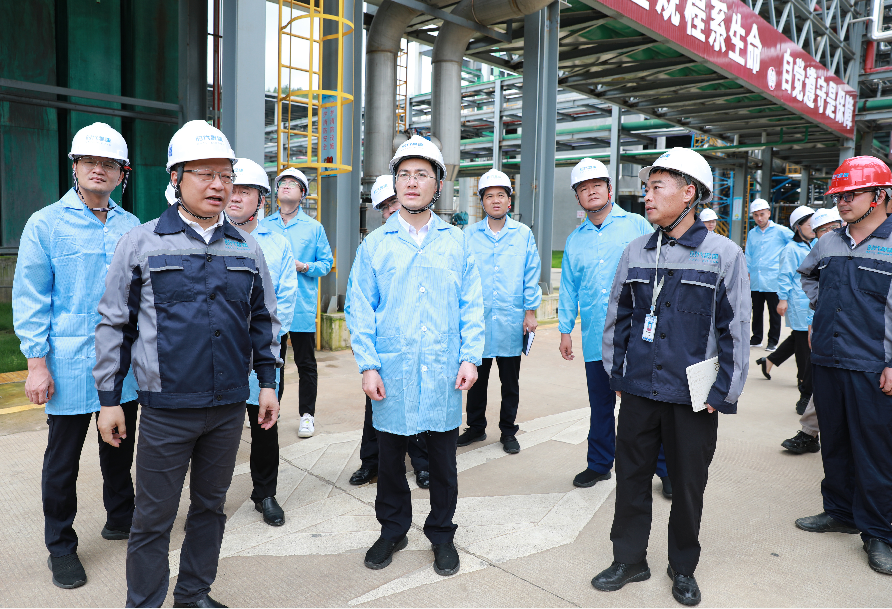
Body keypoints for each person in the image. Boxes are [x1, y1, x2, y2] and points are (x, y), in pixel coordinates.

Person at [93, 120, 282, 607]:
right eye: (204, 173)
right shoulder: (142, 242)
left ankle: (194, 593)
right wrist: (109, 401)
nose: (218, 185)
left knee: (210, 508)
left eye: (226, 175)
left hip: (227, 407)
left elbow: (263, 320)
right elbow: (115, 324)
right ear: (176, 177)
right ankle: (144, 601)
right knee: (153, 517)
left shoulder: (245, 246)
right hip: (166, 410)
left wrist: (267, 383)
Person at [593, 148, 750, 606]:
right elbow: (618, 315)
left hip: (693, 396)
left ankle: (682, 568)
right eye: (646, 188)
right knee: (631, 477)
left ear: (689, 194)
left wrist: (723, 392)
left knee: (686, 486)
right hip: (639, 388)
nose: (647, 196)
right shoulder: (637, 250)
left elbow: (736, 330)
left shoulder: (723, 254)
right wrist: (616, 374)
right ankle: (629, 559)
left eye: (657, 187)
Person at [345, 135, 484, 577]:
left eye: (422, 174)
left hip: (444, 367)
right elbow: (359, 308)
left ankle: (441, 533)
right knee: (390, 460)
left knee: (443, 460)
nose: (411, 182)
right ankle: (393, 529)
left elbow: (471, 304)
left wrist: (470, 357)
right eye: (403, 174)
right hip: (393, 368)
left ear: (437, 185)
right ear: (394, 184)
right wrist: (368, 365)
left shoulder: (457, 242)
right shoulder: (375, 245)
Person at [12, 122, 141, 590]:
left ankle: (120, 518)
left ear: (122, 173)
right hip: (67, 362)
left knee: (119, 447)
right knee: (62, 462)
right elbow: (31, 296)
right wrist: (36, 364)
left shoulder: (131, 226)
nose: (98, 170)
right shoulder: (45, 224)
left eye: (109, 164)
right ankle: (61, 547)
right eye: (90, 161)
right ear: (75, 167)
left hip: (122, 365)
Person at [796, 155, 892, 576]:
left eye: (852, 194)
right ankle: (840, 511)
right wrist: (821, 309)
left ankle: (879, 532)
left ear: (879, 196)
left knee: (875, 450)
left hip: (873, 363)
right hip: (828, 358)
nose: (842, 201)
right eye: (838, 195)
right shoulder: (828, 242)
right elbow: (808, 275)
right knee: (833, 439)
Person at [558, 158, 671, 497]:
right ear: (577, 196)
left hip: (637, 337)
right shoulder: (575, 240)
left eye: (597, 185)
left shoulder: (636, 224)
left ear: (609, 189)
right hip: (596, 336)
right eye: (583, 188)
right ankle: (598, 463)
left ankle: (665, 469)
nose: (590, 191)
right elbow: (569, 287)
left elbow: (661, 267)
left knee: (647, 408)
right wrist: (565, 330)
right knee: (601, 406)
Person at [226, 158, 298, 527]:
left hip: (264, 350)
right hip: (218, 350)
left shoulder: (278, 244)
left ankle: (265, 493)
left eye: (245, 191)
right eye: (232, 188)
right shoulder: (207, 236)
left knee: (264, 423)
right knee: (215, 429)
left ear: (261, 200)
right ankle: (208, 499)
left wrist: (260, 340)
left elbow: (284, 300)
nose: (235, 196)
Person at [348, 175, 431, 489]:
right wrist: (367, 352)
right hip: (385, 347)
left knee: (419, 406)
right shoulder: (373, 246)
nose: (389, 211)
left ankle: (423, 465)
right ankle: (371, 463)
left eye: (392, 203)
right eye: (384, 207)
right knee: (376, 407)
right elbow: (359, 302)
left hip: (420, 342)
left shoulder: (429, 242)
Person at [460, 168, 542, 454]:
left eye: (501, 195)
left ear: (510, 200)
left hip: (511, 320)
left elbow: (531, 274)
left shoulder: (523, 234)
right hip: (478, 322)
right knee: (476, 379)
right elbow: (461, 276)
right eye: (489, 196)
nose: (495, 200)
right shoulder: (469, 235)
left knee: (510, 382)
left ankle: (508, 431)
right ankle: (476, 427)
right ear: (482, 201)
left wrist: (530, 312)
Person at [261, 168, 333, 438]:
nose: (286, 186)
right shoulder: (265, 226)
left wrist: (303, 266)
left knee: (306, 363)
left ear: (302, 194)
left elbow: (326, 264)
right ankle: (271, 408)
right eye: (282, 183)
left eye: (293, 183)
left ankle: (307, 415)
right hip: (271, 307)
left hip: (301, 307)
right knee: (272, 360)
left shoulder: (314, 228)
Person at [780, 207, 842, 455]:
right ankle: (809, 433)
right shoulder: (818, 251)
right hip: (827, 324)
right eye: (821, 230)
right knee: (824, 376)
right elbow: (809, 281)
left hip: (865, 330)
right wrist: (812, 320)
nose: (828, 233)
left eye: (832, 227)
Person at [754, 206, 815, 414]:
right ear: (798, 227)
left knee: (799, 337)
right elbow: (785, 276)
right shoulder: (791, 249)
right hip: (798, 301)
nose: (813, 228)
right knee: (804, 343)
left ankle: (769, 361)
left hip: (811, 301)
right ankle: (803, 384)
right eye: (809, 225)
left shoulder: (815, 244)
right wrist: (782, 299)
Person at [746, 198, 793, 351]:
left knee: (774, 312)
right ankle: (756, 338)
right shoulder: (752, 233)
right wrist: (747, 272)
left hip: (773, 279)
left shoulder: (781, 231)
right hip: (756, 279)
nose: (759, 218)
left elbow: (795, 243)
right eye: (756, 215)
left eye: (762, 214)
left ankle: (773, 340)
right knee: (756, 311)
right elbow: (748, 255)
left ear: (768, 213)